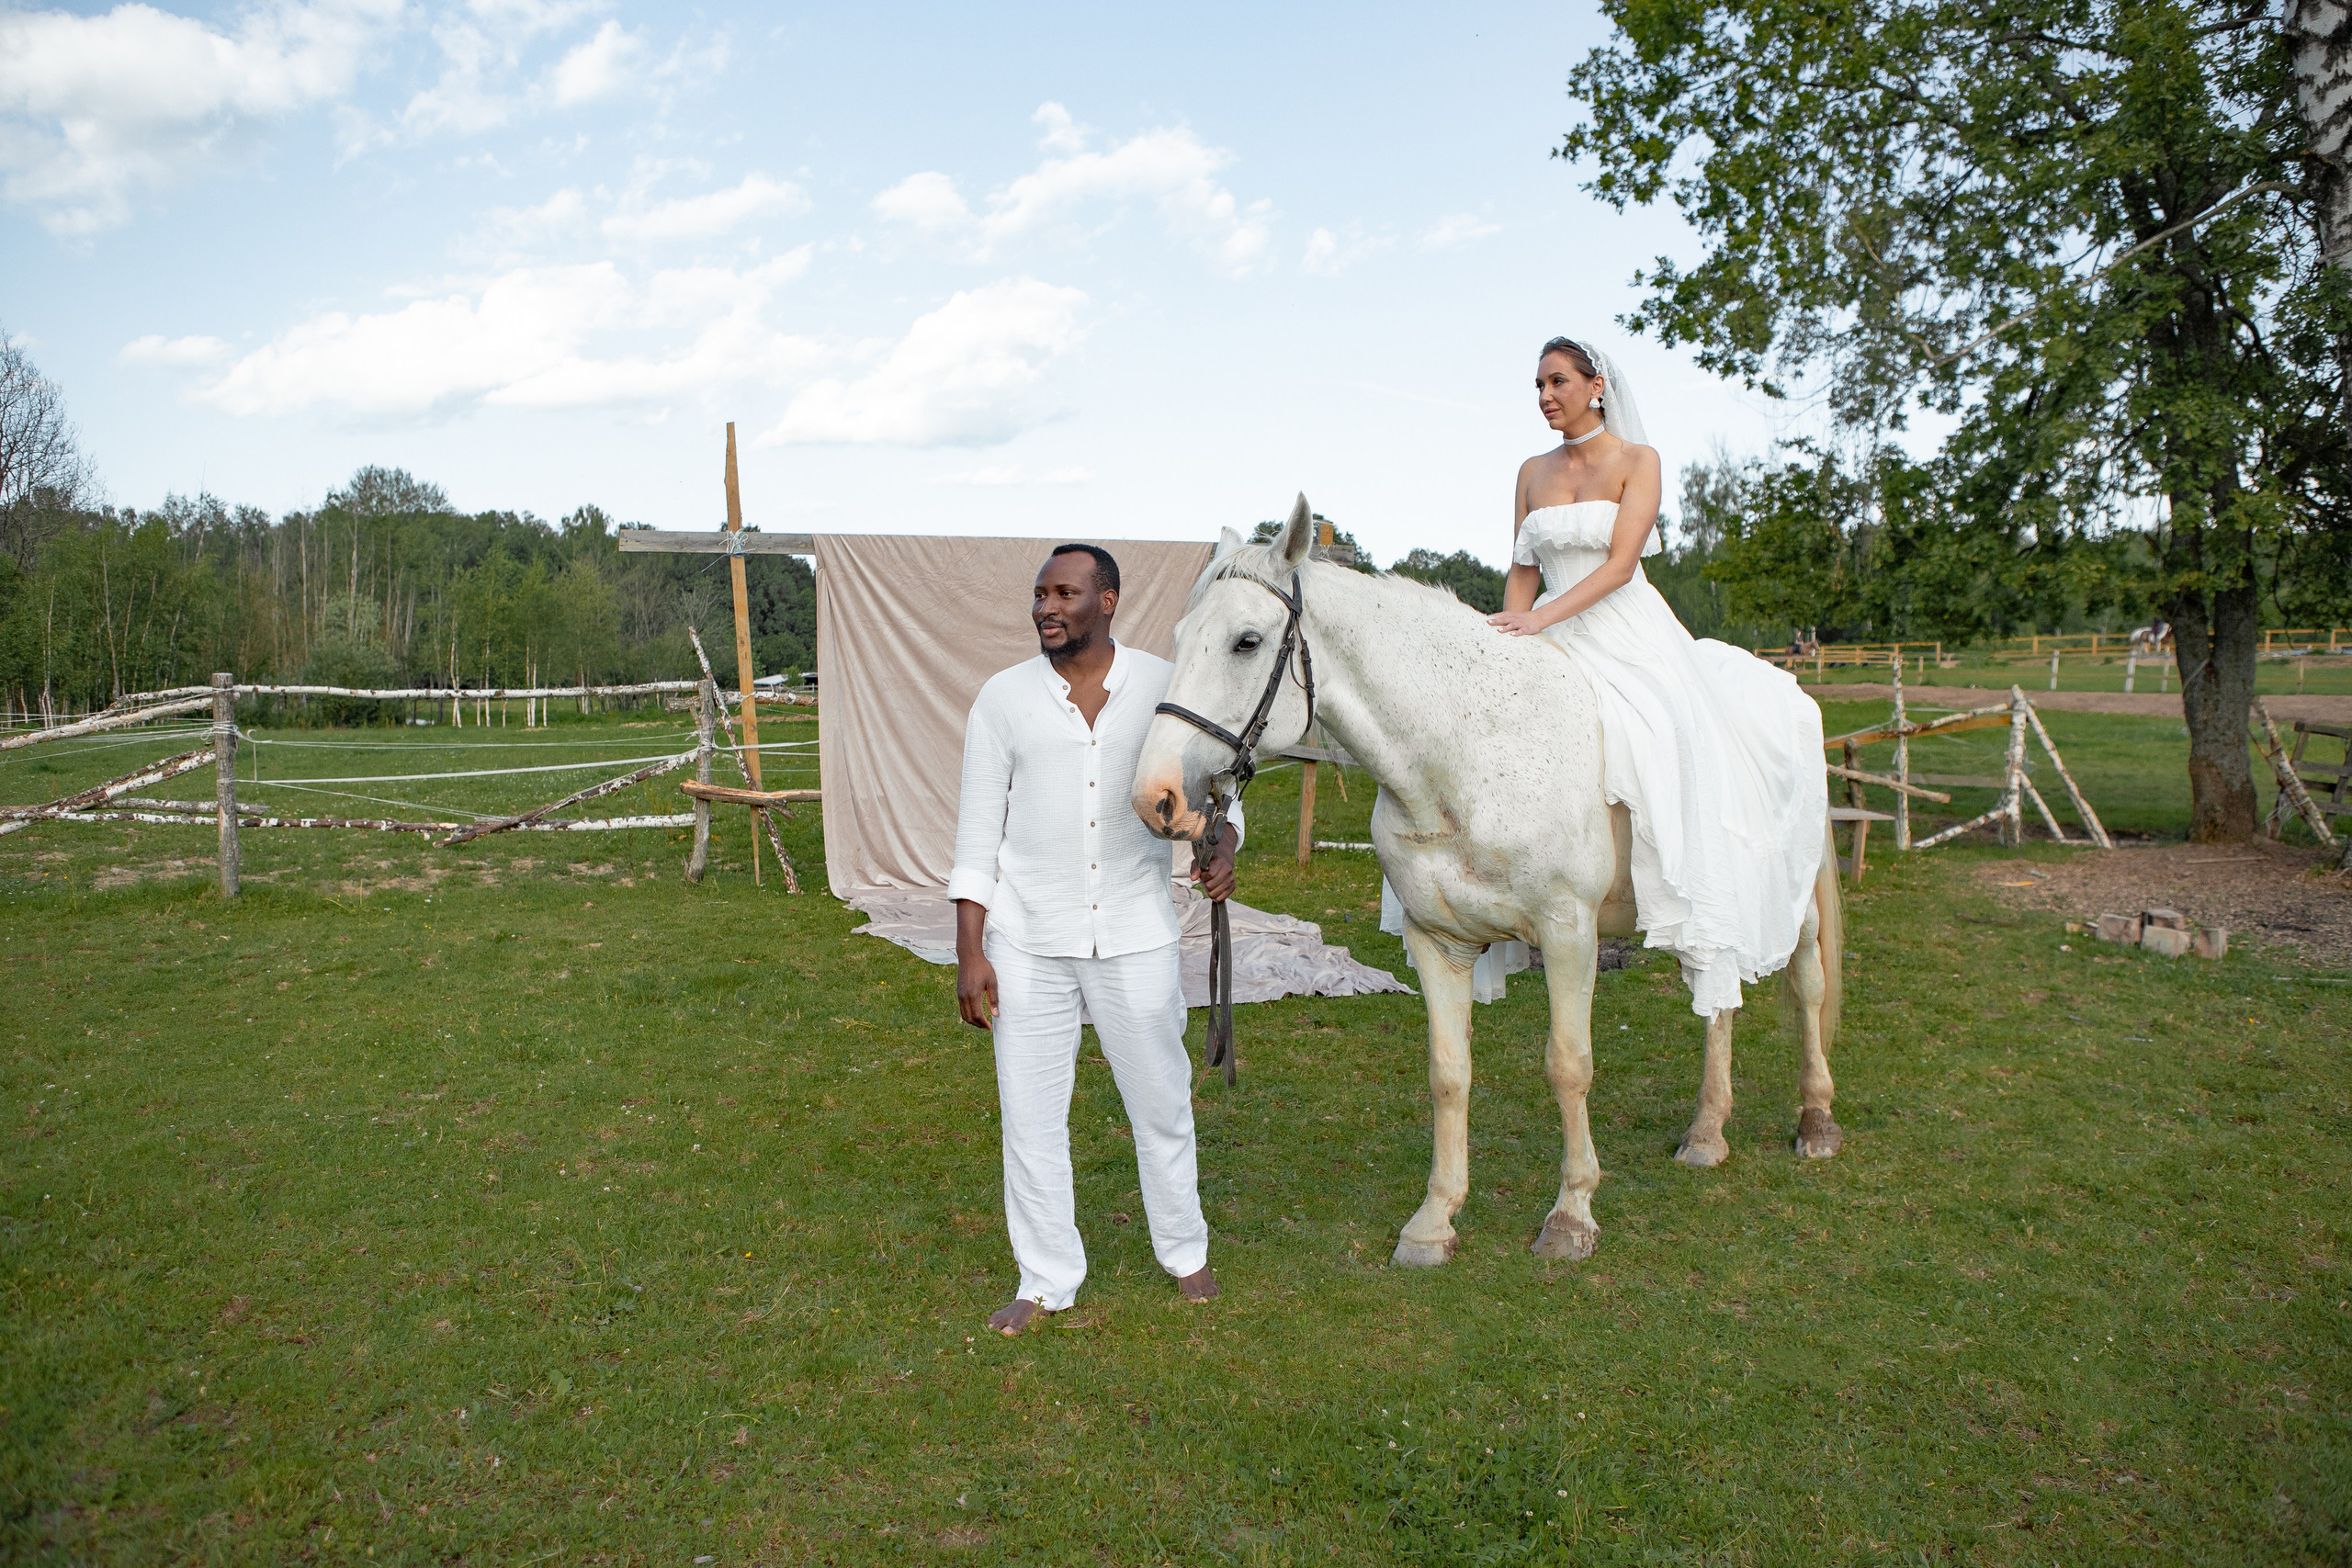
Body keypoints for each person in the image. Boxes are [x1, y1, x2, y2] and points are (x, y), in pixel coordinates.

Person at [1484, 337, 1826, 1018]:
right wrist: (1509, 638)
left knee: (1673, 730)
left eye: (1557, 381)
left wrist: (1544, 618)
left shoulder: (1639, 461)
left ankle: (1695, 882)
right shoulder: (1530, 471)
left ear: (1596, 385)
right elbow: (1522, 569)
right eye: (1538, 385)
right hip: (1547, 626)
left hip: (1626, 624)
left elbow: (1618, 566)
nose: (1545, 396)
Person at [949, 543, 1242, 1336]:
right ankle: (1045, 1278)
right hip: (1026, 938)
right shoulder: (1002, 700)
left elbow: (1214, 787)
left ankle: (1185, 1251)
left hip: (1135, 928)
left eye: (1065, 593)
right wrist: (971, 949)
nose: (1046, 606)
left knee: (1161, 1100)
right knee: (1031, 1113)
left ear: (1107, 601)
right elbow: (978, 834)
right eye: (1040, 594)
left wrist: (1222, 846)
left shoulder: (1159, 685)